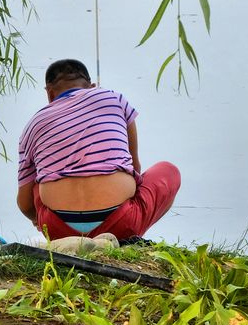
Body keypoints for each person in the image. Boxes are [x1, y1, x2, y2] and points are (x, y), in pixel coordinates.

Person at [16, 58, 181, 240]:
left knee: (37, 182)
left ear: (49, 93)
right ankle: (125, 238)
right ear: (92, 86)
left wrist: (40, 220)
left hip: (59, 231)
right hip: (122, 224)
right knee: (169, 171)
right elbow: (135, 167)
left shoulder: (32, 125)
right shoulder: (115, 99)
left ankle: (68, 237)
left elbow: (25, 204)